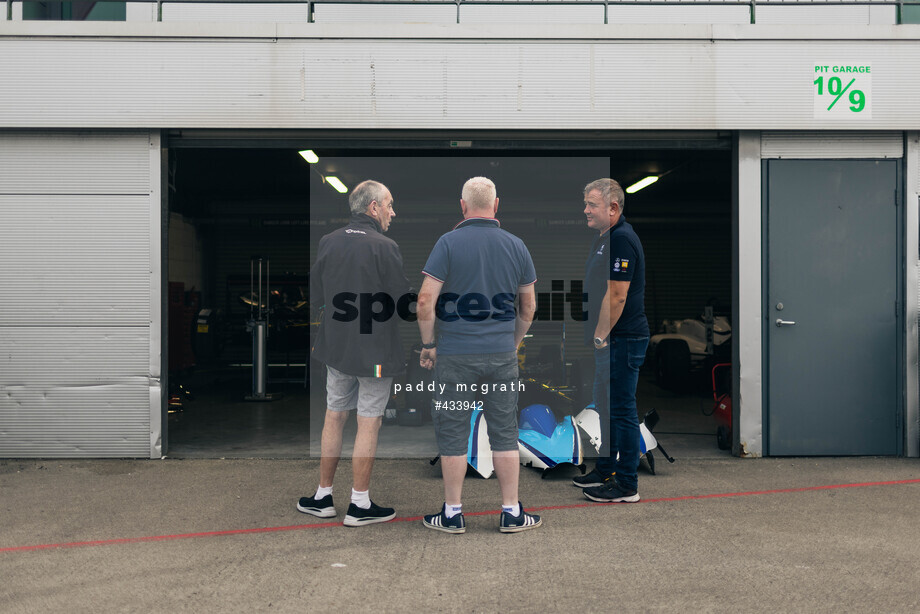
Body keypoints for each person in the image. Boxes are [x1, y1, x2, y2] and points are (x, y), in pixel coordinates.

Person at [417, 176, 540, 534]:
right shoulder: (517, 246)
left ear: (463, 206)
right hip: (501, 357)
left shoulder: (448, 243)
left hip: (455, 358)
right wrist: (512, 343)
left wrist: (428, 345)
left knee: (453, 433)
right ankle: (511, 511)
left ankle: (453, 513)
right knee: (505, 432)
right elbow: (528, 307)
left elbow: (426, 301)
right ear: (496, 205)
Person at [298, 180, 410, 527]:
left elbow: (316, 294)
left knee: (334, 415)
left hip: (337, 348)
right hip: (375, 351)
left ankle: (322, 496)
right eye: (389, 204)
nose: (393, 212)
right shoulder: (385, 246)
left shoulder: (328, 242)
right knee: (369, 420)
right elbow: (402, 303)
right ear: (373, 208)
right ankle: (359, 505)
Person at [572, 178, 650, 503]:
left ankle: (627, 484)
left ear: (612, 208)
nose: (585, 210)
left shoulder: (621, 241)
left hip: (622, 340)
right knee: (604, 408)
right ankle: (606, 470)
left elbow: (617, 295)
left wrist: (601, 336)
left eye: (591, 204)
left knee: (621, 411)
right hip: (610, 341)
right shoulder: (604, 239)